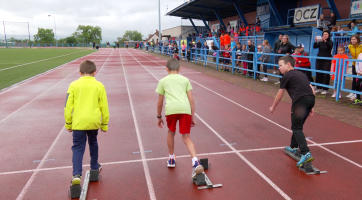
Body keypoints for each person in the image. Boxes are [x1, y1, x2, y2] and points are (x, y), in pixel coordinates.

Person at [156, 58, 204, 178]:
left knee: (171, 132)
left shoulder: (162, 81)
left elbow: (159, 102)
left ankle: (171, 159)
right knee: (186, 137)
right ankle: (195, 161)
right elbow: (191, 100)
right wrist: (192, 116)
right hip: (185, 109)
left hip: (171, 109)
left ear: (166, 68)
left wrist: (159, 116)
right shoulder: (185, 80)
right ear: (180, 69)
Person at [65, 60, 109, 186]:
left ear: (79, 72)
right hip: (93, 121)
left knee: (78, 147)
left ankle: (76, 174)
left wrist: (68, 123)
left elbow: (67, 106)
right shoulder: (99, 85)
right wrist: (104, 123)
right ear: (95, 72)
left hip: (78, 122)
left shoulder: (73, 85)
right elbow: (104, 106)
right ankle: (94, 166)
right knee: (93, 143)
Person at [270, 56, 316, 167]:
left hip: (300, 102)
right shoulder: (301, 74)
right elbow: (312, 90)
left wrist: (273, 107)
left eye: (280, 65)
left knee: (296, 127)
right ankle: (293, 147)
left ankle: (305, 152)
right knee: (298, 125)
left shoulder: (286, 76)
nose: (279, 68)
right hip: (310, 99)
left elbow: (279, 95)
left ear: (288, 64)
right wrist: (310, 106)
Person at [347, 34, 362, 99]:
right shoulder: (350, 46)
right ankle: (352, 92)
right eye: (351, 39)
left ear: (358, 40)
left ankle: (357, 93)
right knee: (354, 78)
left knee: (359, 80)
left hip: (360, 65)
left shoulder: (361, 46)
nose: (352, 41)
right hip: (354, 64)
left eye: (354, 39)